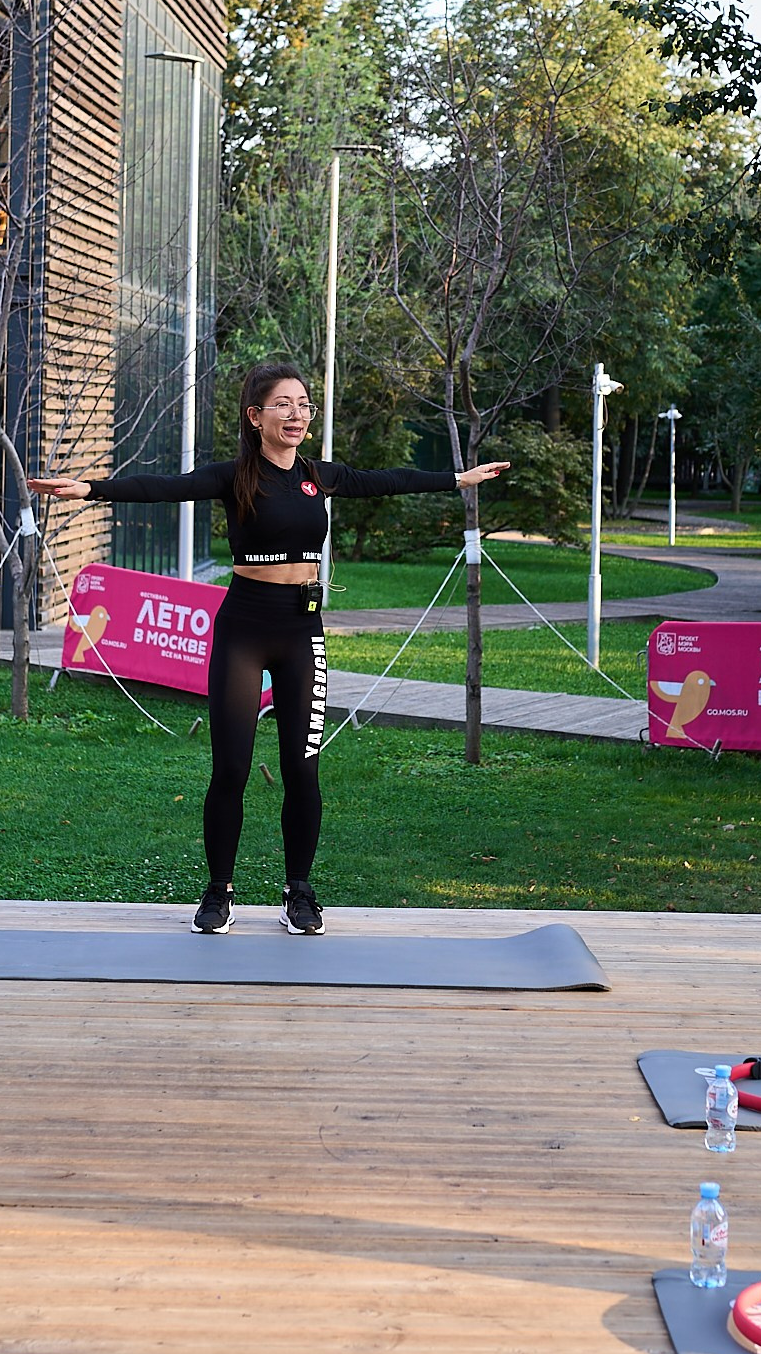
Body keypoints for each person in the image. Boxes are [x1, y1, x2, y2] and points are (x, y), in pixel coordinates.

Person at [28, 361, 506, 936]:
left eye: (304, 404)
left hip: (303, 630)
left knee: (302, 769)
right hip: (244, 628)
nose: (298, 413)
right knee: (229, 768)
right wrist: (89, 488)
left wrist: (457, 479)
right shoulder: (234, 477)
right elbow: (165, 489)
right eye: (284, 404)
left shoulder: (319, 477)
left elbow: (386, 478)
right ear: (256, 417)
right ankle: (218, 891)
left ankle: (299, 892)